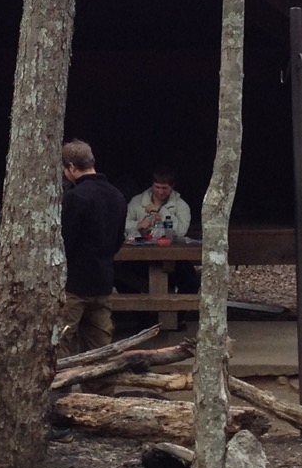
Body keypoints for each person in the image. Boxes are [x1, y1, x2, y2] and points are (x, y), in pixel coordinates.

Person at [59, 139, 128, 356]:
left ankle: (58, 388)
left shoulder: (75, 196)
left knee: (60, 341)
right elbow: (118, 240)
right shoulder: (117, 196)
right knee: (99, 346)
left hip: (74, 284)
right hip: (103, 281)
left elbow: (65, 240)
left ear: (71, 167)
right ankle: (101, 387)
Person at [124, 166, 200, 295]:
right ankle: (138, 315)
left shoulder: (181, 205)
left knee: (191, 280)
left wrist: (161, 211)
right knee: (122, 277)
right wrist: (138, 225)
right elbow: (122, 223)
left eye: (164, 188)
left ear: (172, 187)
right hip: (140, 256)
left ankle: (179, 313)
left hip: (173, 257)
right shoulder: (137, 201)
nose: (160, 192)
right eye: (157, 187)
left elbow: (181, 231)